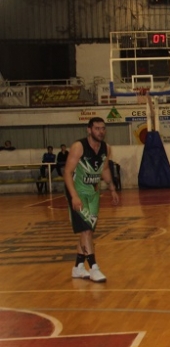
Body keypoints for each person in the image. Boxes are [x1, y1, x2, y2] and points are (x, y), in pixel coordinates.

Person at [63, 117, 120, 283]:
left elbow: (105, 168)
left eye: (103, 128)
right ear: (89, 129)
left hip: (93, 192)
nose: (100, 131)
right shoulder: (78, 147)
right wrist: (73, 196)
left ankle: (78, 267)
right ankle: (94, 267)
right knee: (86, 229)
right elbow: (67, 173)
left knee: (87, 231)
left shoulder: (106, 148)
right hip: (78, 192)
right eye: (97, 128)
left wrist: (112, 189)